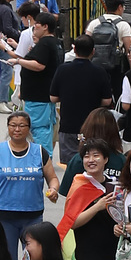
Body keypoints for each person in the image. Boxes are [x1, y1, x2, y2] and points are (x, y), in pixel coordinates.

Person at [0, 108, 60, 260]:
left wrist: (53, 189)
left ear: (29, 128)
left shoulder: (39, 152)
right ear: (8, 127)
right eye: (13, 125)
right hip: (4, 217)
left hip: (33, 217)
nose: (17, 129)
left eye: (22, 126)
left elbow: (52, 178)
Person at [0, 10, 63, 154]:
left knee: (39, 129)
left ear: (45, 27)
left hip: (39, 97)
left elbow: (40, 65)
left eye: (36, 25)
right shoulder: (54, 43)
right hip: (40, 95)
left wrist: (19, 61)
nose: (34, 28)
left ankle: (42, 160)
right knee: (43, 128)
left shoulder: (45, 43)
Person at [52, 35, 114, 166]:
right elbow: (107, 101)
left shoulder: (63, 69)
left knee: (70, 166)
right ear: (93, 51)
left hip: (68, 125)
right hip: (93, 125)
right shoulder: (99, 72)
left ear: (74, 50)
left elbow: (53, 97)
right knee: (93, 164)